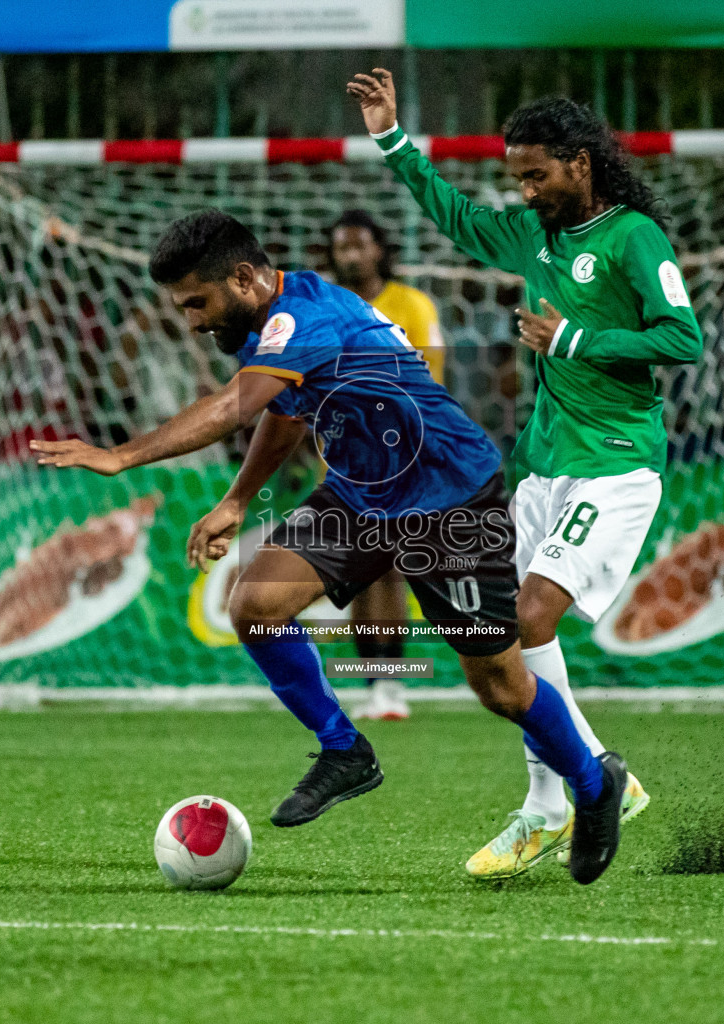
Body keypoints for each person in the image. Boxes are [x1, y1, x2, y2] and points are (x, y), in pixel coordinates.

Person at [32, 210, 629, 884]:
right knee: (255, 604)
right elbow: (286, 411)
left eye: (197, 302)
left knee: (500, 687)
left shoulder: (303, 319)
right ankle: (344, 749)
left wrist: (121, 455)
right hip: (361, 493)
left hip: (448, 495)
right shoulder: (274, 319)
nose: (194, 321)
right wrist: (235, 498)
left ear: (245, 277)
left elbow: (238, 405)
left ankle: (594, 780)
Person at [349, 68, 699, 878]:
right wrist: (391, 137)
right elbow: (452, 214)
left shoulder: (633, 239)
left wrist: (574, 340)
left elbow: (682, 339)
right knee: (495, 638)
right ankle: (598, 778)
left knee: (531, 618)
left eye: (537, 175)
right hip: (543, 472)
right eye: (517, 177)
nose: (526, 191)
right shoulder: (531, 237)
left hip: (615, 468)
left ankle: (551, 805)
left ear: (581, 163)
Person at [327, 208, 447, 721]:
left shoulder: (411, 306)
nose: (350, 254)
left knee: (390, 570)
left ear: (379, 248)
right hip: (341, 459)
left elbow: (428, 382)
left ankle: (393, 683)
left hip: (401, 459)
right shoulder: (326, 308)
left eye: (359, 244)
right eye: (341, 246)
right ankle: (370, 681)